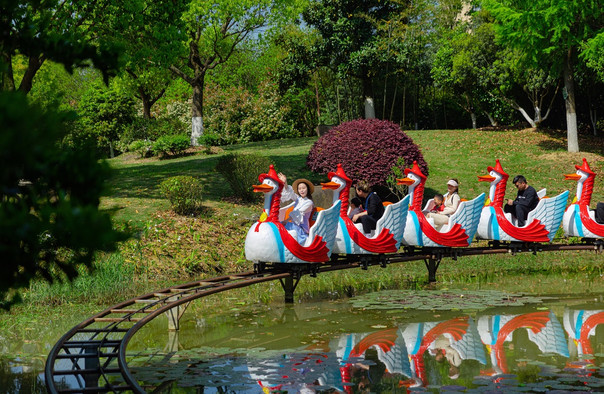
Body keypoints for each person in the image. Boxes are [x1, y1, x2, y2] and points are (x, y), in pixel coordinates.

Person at [278, 172, 314, 244]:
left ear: (308, 189)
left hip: (301, 229)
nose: (302, 190)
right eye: (300, 188)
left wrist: (286, 220)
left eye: (303, 188)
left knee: (283, 226)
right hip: (293, 225)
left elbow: (299, 212)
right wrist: (284, 182)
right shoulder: (298, 199)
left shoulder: (309, 202)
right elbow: (290, 192)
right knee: (278, 226)